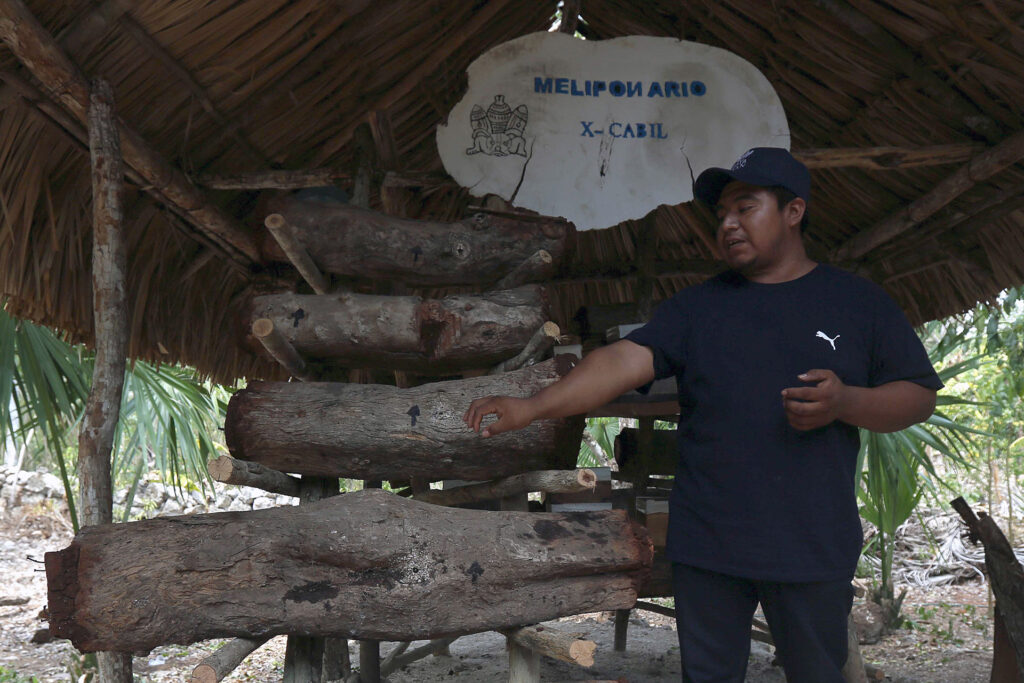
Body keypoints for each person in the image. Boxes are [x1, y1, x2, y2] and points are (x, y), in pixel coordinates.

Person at [463, 147, 943, 682]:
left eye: (745, 207)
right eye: (722, 215)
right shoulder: (697, 309)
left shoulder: (857, 303)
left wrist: (846, 402)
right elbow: (622, 360)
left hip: (811, 543)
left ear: (793, 211)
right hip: (709, 545)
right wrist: (531, 407)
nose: (729, 224)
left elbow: (919, 397)